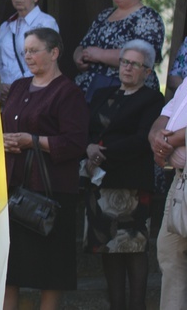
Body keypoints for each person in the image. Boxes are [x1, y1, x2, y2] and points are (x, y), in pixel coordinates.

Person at [2, 28, 88, 310]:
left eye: (34, 50)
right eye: (25, 50)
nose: (28, 56)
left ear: (54, 52)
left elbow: (75, 144)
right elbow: (5, 127)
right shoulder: (18, 86)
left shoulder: (69, 92)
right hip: (13, 189)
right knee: (8, 269)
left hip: (51, 193)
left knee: (51, 272)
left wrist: (33, 141)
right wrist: (5, 141)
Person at [81, 40, 163, 310]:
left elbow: (142, 139)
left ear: (147, 72)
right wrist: (89, 148)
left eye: (135, 64)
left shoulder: (152, 98)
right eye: (124, 62)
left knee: (134, 251)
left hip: (131, 184)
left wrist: (101, 150)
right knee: (108, 252)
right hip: (100, 184)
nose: (127, 68)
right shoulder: (103, 93)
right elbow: (88, 129)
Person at [74, 0, 164, 97]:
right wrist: (78, 55)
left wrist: (100, 55)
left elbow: (142, 58)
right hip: (88, 90)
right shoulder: (104, 14)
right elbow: (83, 45)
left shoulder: (148, 18)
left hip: (123, 94)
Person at [149, 77, 187, 309]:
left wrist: (169, 141)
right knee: (169, 254)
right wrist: (155, 137)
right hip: (180, 180)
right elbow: (167, 112)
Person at [0, 0, 58, 103]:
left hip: (33, 94)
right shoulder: (5, 27)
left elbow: (45, 62)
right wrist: (0, 85)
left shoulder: (46, 23)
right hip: (4, 96)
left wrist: (18, 87)